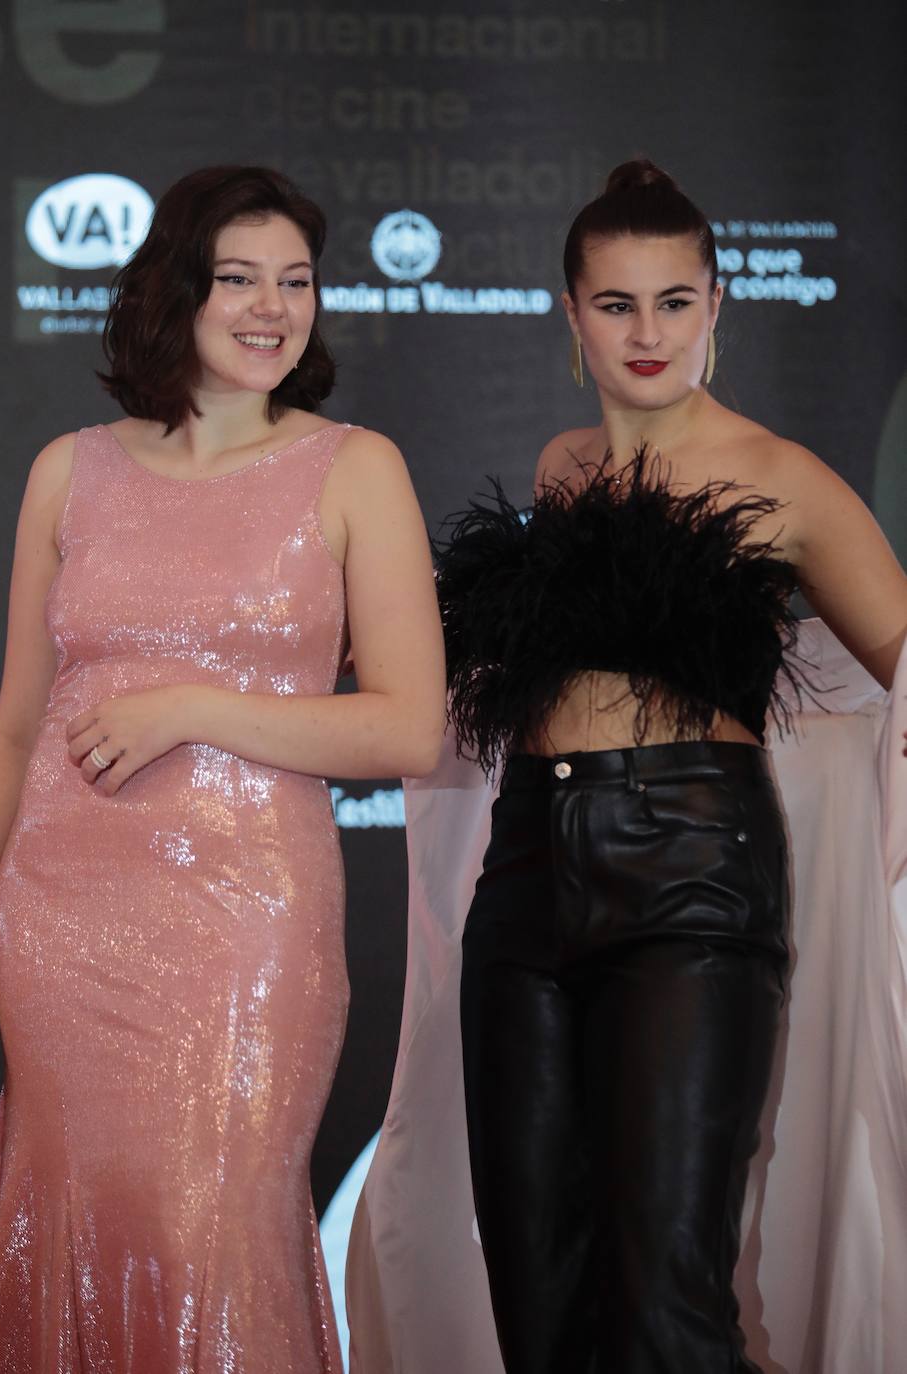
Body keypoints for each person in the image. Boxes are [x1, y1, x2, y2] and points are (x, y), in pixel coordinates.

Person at [346, 161, 907, 1374]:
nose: (646, 334)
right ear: (571, 316)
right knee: (540, 1303)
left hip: (694, 881)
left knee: (669, 1305)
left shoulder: (785, 475)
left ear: (718, 306)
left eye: (673, 302)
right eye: (615, 304)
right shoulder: (561, 469)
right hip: (527, 876)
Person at [0, 165, 445, 1374]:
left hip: (247, 931)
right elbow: (13, 730)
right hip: (59, 926)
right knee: (75, 1223)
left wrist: (194, 709)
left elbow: (409, 727)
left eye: (298, 281)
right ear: (176, 293)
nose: (273, 307)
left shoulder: (355, 467)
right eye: (239, 278)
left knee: (214, 1228)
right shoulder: (71, 470)